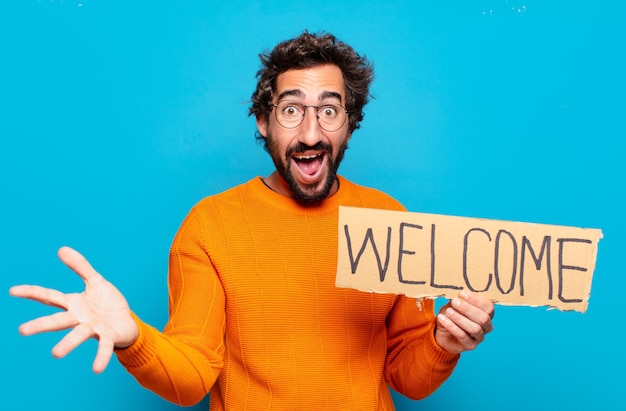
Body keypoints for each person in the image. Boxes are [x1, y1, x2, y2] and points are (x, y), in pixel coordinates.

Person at [9, 31, 494, 410]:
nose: (310, 132)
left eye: (329, 110)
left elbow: (409, 379)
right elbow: (192, 377)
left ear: (350, 122)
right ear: (263, 122)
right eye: (291, 111)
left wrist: (444, 342)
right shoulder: (210, 225)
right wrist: (133, 337)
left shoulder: (391, 221)